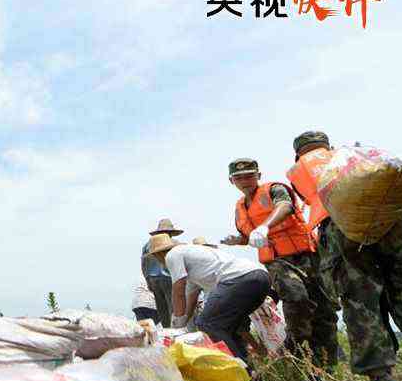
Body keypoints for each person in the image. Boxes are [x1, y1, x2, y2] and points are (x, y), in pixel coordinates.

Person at [287, 131, 402, 381]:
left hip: (341, 229)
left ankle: (383, 380)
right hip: (395, 221)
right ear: (328, 146)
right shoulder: (351, 155)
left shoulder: (298, 171)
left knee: (360, 301)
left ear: (298, 155)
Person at [221, 157, 339, 368]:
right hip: (277, 261)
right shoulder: (239, 208)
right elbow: (250, 236)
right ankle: (295, 350)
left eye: (249, 176)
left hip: (307, 256)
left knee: (324, 310)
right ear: (232, 181)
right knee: (296, 297)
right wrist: (237, 240)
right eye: (239, 178)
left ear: (258, 175)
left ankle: (326, 366)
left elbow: (285, 206)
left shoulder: (274, 190)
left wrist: (264, 227)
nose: (245, 181)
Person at [148, 233, 270, 367]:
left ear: (158, 255)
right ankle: (249, 372)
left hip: (240, 279)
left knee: (207, 324)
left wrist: (176, 323)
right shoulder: (192, 263)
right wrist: (182, 322)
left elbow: (178, 290)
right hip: (261, 278)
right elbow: (191, 298)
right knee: (231, 328)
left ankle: (239, 369)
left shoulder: (172, 255)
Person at [141, 218, 183, 326]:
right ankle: (174, 329)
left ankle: (166, 329)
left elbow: (144, 264)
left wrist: (148, 280)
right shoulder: (174, 243)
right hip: (169, 278)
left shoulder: (148, 245)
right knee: (173, 306)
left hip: (153, 279)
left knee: (161, 308)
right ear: (171, 232)